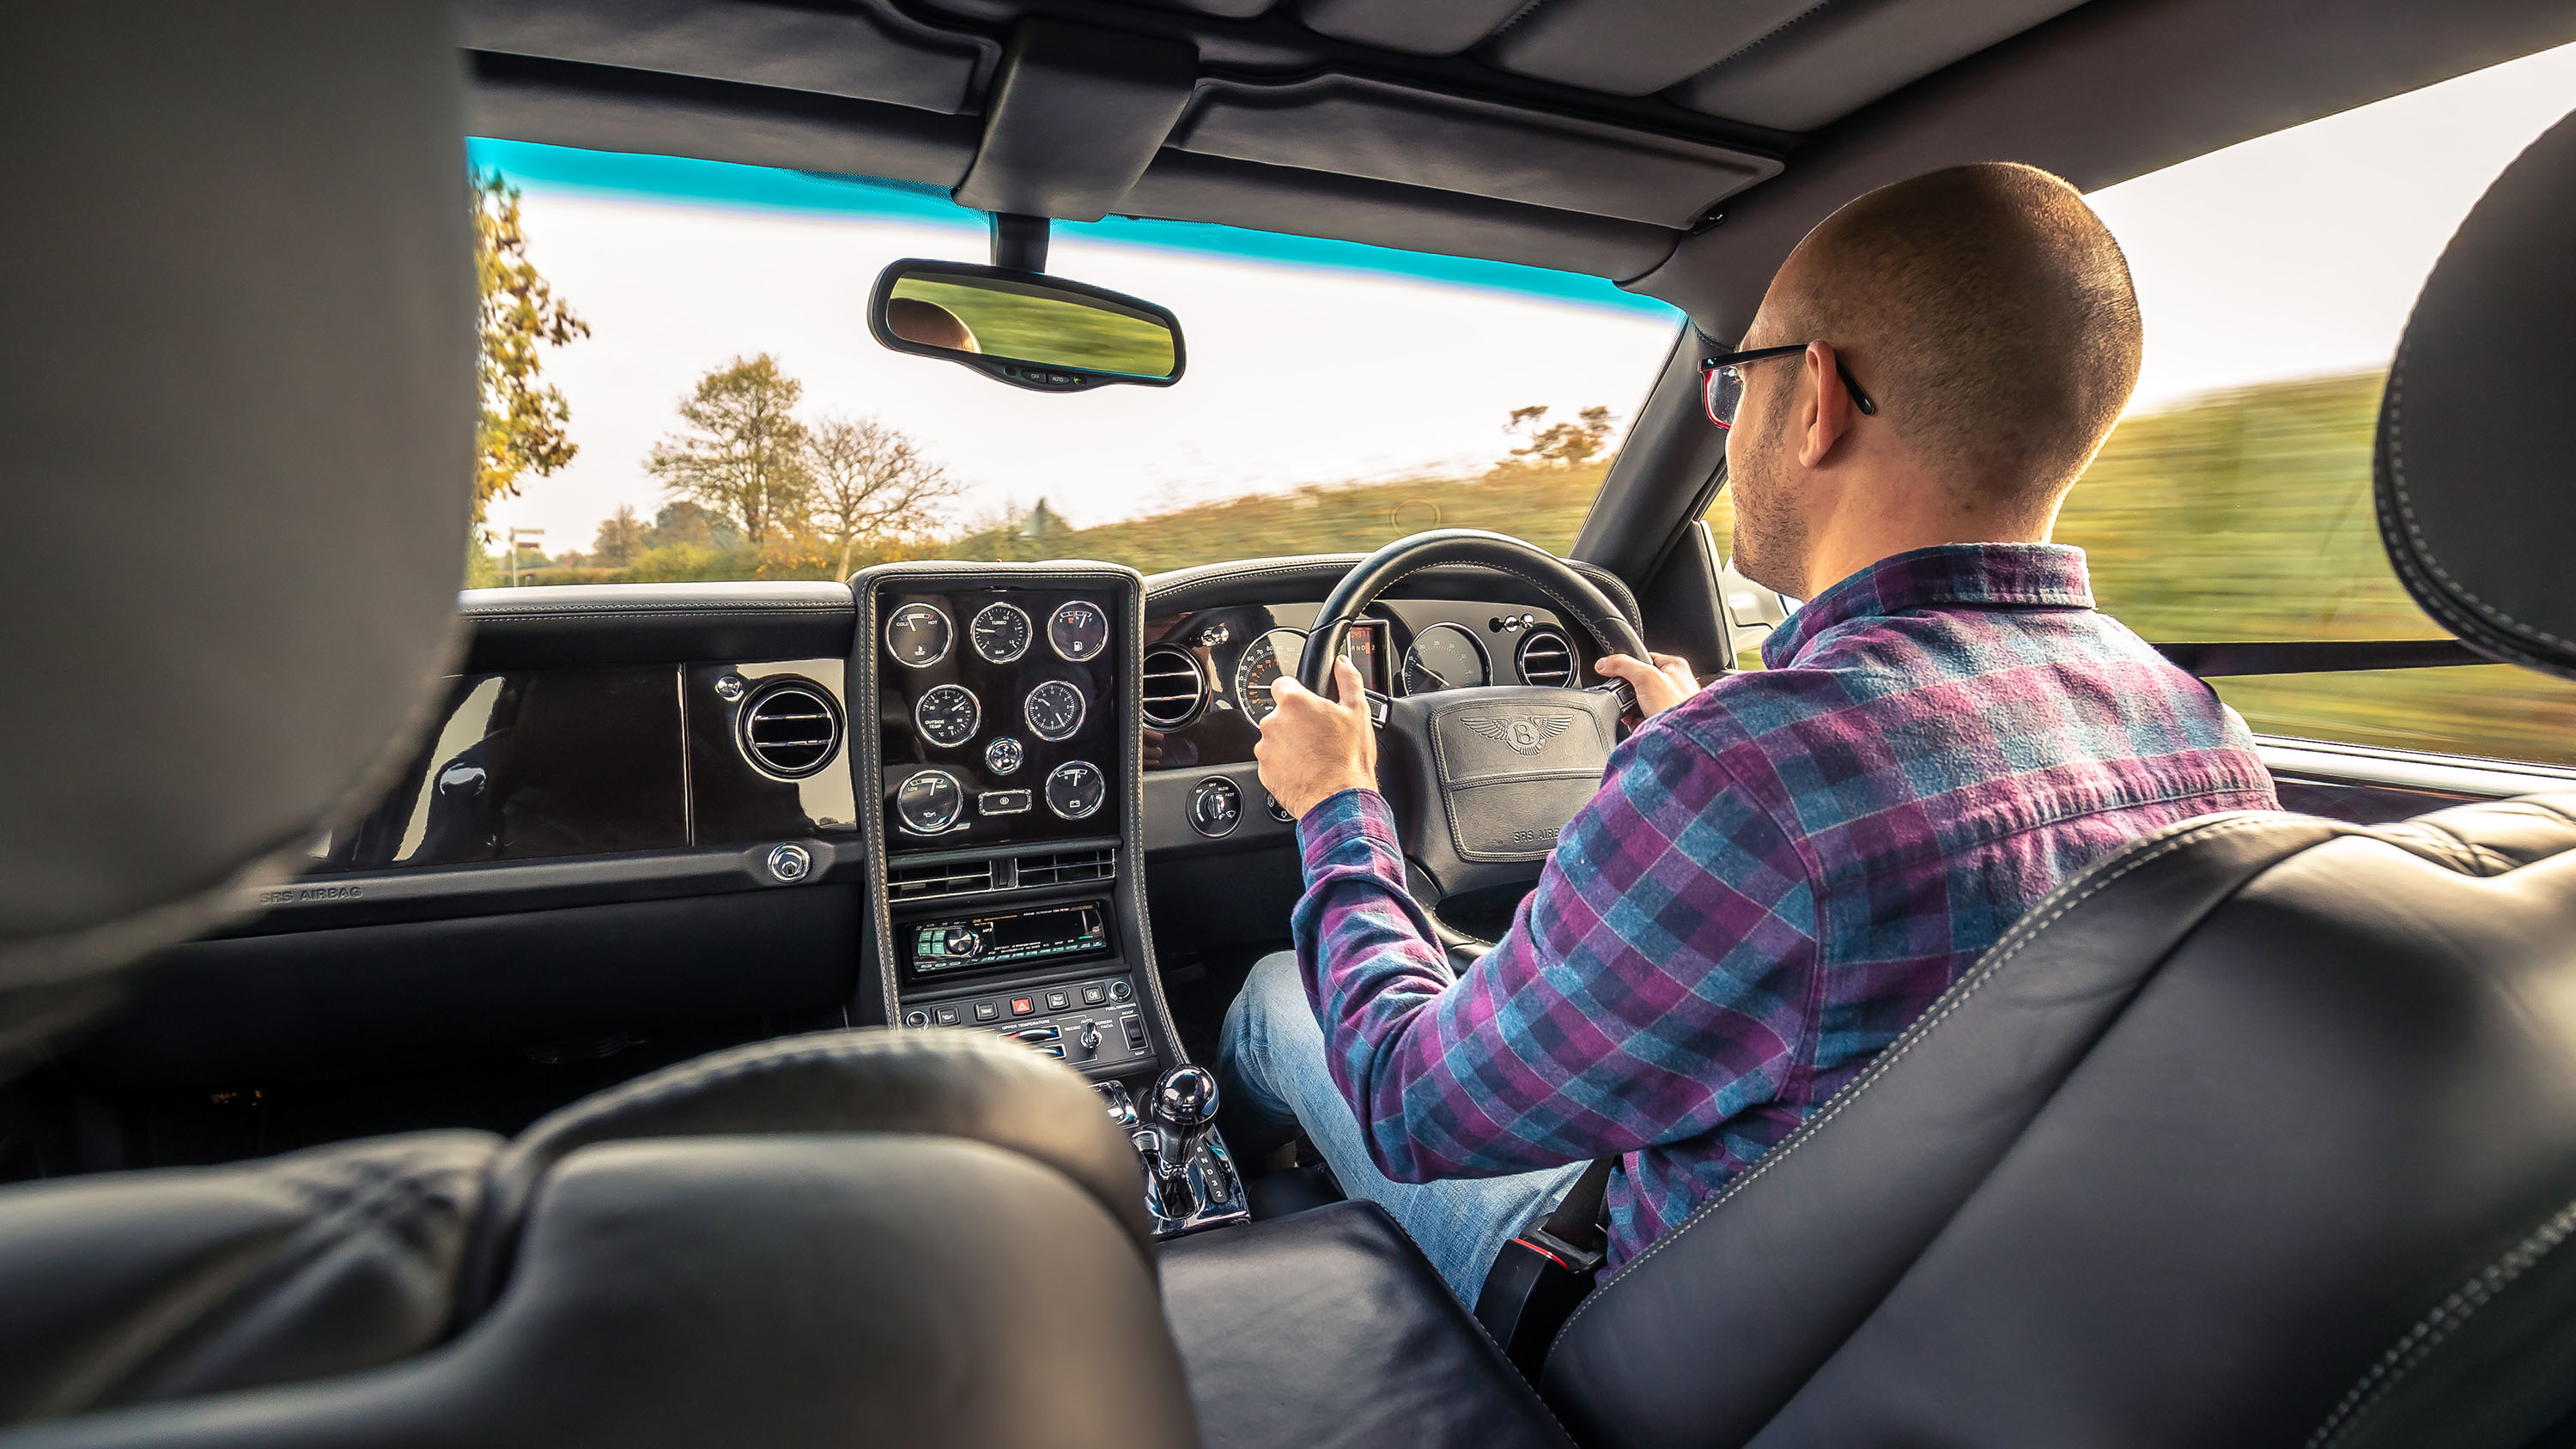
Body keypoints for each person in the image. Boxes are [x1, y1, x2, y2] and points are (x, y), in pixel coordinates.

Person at [1222, 162, 2282, 1305]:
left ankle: (1230, 1218)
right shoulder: (2204, 730)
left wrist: (1338, 804)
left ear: (1818, 397)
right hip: (1947, 1323)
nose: (1727, 424)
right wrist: (1703, 743)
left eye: (1736, 385)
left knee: (1280, 994)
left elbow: (1412, 1105)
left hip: (1639, 1335)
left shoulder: (1744, 777)